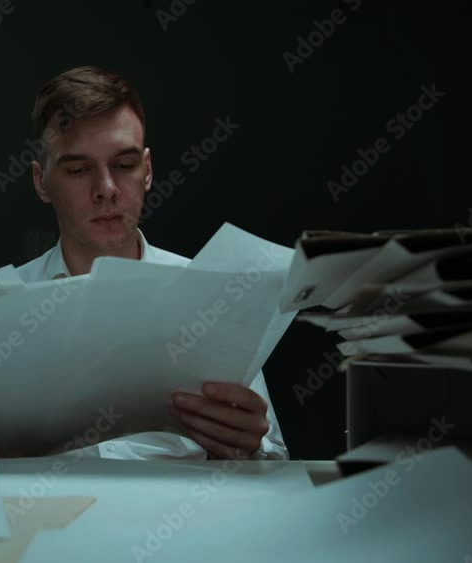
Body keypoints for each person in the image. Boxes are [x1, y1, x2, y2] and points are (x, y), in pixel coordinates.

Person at [16, 66, 287, 461]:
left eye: (124, 165)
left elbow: (272, 457)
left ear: (147, 170)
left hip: (188, 517)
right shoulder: (4, 307)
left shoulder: (213, 296)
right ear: (41, 181)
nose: (106, 189)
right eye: (78, 169)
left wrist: (249, 448)